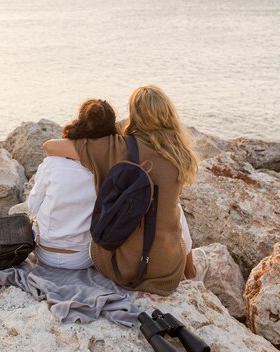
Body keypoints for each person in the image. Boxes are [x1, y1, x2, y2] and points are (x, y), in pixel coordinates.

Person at [43, 85, 204, 295]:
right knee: (174, 208)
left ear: (134, 115)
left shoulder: (118, 148)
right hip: (167, 271)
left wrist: (86, 138)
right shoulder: (181, 155)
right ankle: (191, 271)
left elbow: (50, 146)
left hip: (121, 268)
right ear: (168, 114)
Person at [27, 99, 118, 270]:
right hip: (83, 258)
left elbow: (33, 206)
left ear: (81, 122)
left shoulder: (52, 162)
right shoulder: (108, 168)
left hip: (44, 252)